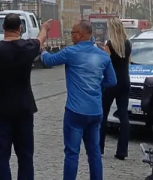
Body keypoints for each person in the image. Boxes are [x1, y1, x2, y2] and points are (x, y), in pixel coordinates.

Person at [0, 13, 52, 180]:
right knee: (25, 156)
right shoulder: (28, 47)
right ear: (20, 29)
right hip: (24, 109)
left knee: (1, 157)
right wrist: (44, 28)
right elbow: (41, 39)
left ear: (3, 28)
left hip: (1, 110)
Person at [41, 21, 117, 180]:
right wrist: (97, 85)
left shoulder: (71, 52)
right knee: (94, 152)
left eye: (73, 33)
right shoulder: (103, 56)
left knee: (72, 153)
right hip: (95, 111)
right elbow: (112, 81)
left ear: (80, 34)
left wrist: (42, 50)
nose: (71, 36)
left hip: (75, 111)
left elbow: (49, 60)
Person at [99, 17, 132, 160]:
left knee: (103, 113)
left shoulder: (110, 44)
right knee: (124, 115)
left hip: (112, 81)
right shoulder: (128, 44)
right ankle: (122, 151)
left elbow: (105, 63)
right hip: (125, 81)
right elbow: (128, 62)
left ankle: (99, 147)